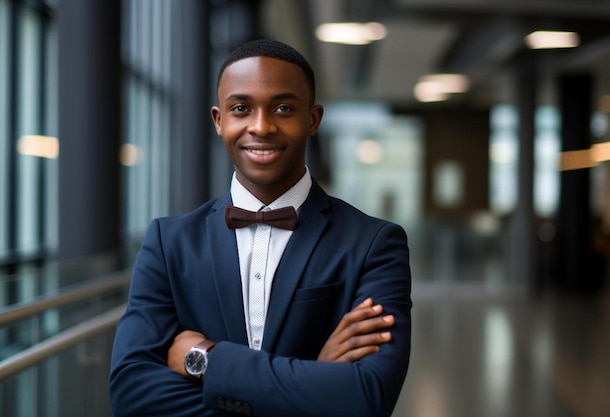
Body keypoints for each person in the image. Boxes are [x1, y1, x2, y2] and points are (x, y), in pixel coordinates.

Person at [109, 38, 412, 417]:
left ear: (312, 119)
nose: (261, 126)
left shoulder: (374, 244)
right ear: (219, 121)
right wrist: (316, 382)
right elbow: (130, 394)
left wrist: (206, 360)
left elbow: (367, 397)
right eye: (241, 109)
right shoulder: (168, 243)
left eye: (283, 108)